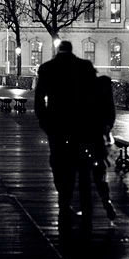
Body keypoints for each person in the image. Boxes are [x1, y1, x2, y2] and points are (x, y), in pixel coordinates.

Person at [34, 40, 98, 230]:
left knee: (59, 162)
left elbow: (39, 99)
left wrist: (44, 121)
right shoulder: (84, 67)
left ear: (58, 49)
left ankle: (64, 199)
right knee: (83, 166)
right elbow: (94, 96)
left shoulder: (47, 68)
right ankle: (86, 207)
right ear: (71, 50)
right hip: (81, 125)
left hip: (57, 124)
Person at [89, 75, 117, 221]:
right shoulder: (106, 96)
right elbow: (111, 115)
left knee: (84, 172)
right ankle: (106, 199)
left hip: (86, 139)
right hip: (98, 140)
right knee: (99, 173)